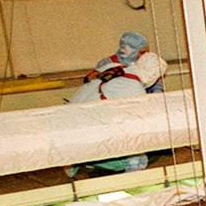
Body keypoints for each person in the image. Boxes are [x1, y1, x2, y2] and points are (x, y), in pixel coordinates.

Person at [66, 31, 168, 174]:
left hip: (73, 119)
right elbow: (139, 119)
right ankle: (107, 166)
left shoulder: (110, 67)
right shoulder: (134, 86)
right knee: (138, 156)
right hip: (96, 126)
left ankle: (76, 160)